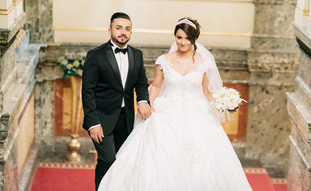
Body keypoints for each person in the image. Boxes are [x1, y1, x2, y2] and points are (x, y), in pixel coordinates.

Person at [98, 17, 253, 191]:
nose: (183, 42)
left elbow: (207, 92)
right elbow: (156, 86)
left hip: (197, 114)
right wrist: (147, 104)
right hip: (166, 112)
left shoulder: (204, 62)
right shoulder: (163, 60)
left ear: (194, 39)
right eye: (179, 38)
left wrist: (224, 103)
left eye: (187, 38)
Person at [82, 12, 151, 190]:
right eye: (118, 28)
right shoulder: (95, 55)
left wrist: (143, 100)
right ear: (109, 30)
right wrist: (93, 123)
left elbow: (142, 83)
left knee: (122, 161)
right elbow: (87, 91)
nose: (123, 32)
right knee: (107, 159)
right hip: (101, 119)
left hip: (126, 118)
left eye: (127, 29)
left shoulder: (137, 54)